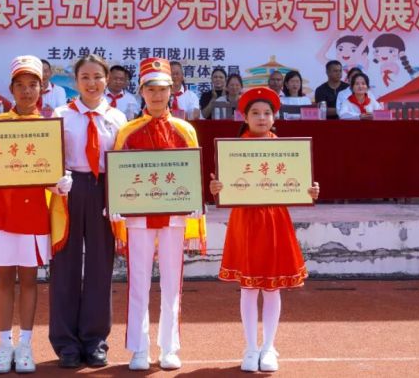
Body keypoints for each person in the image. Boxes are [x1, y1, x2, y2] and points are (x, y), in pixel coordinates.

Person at [0, 55, 72, 374]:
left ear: (43, 88)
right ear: (11, 89)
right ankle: (4, 343)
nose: (27, 91)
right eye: (20, 85)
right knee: (4, 280)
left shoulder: (48, 128)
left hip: (32, 214)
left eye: (33, 84)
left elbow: (52, 174)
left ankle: (26, 345)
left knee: (30, 281)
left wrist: (61, 184)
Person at [209, 87, 319, 372]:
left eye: (267, 113)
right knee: (248, 288)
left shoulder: (285, 150)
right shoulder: (233, 150)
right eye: (255, 113)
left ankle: (269, 346)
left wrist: (309, 191)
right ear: (244, 118)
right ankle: (250, 347)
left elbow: (298, 184)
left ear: (274, 117)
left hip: (274, 219)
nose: (261, 118)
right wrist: (216, 188)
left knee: (272, 288)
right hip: (245, 219)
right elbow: (224, 188)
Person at [112, 57, 207, 371]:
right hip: (138, 218)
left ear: (172, 91)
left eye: (162, 89)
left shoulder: (185, 130)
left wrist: (195, 204)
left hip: (174, 217)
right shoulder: (127, 131)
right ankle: (138, 349)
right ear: (141, 91)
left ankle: (169, 346)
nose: (156, 95)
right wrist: (116, 204)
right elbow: (118, 173)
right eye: (150, 89)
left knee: (171, 282)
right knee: (137, 282)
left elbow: (192, 173)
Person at [49, 54, 127, 369]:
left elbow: (123, 160)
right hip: (69, 189)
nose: (92, 83)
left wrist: (119, 197)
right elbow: (49, 158)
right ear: (75, 81)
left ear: (107, 79)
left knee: (99, 265)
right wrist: (55, 182)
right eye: (85, 77)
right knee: (64, 265)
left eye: (97, 77)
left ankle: (95, 341)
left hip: (104, 189)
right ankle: (66, 343)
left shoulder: (118, 118)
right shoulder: (60, 115)